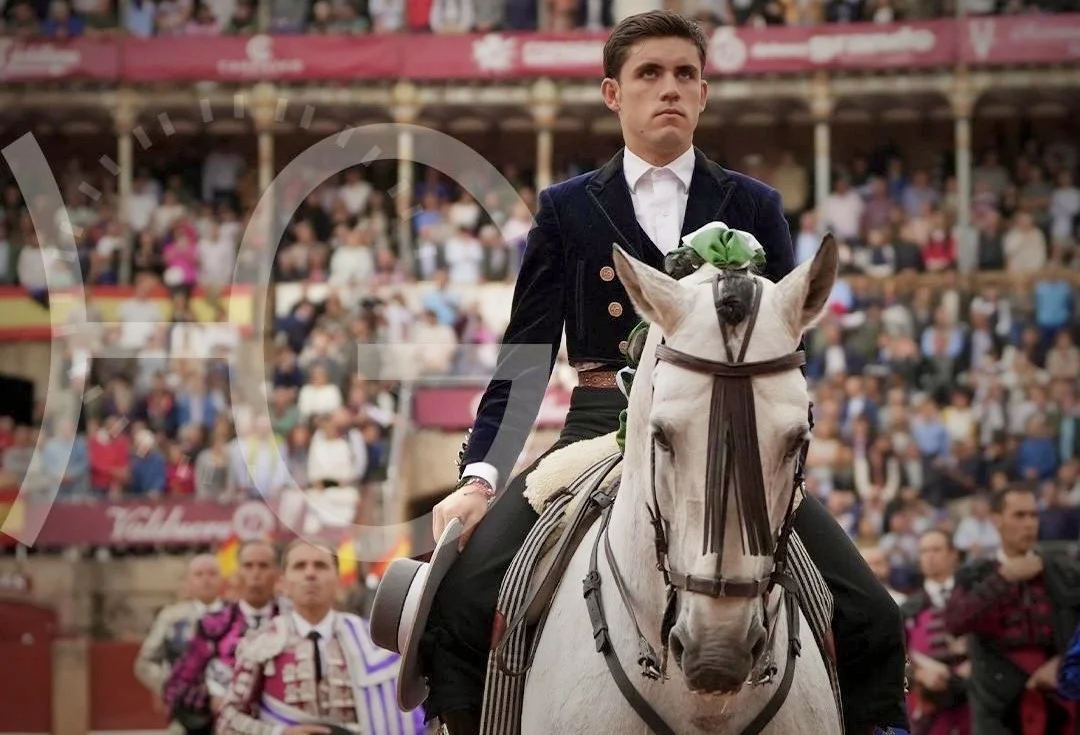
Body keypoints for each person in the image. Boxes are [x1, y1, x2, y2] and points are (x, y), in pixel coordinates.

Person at [419, 10, 909, 735]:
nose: (669, 88)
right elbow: (525, 357)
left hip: (730, 440)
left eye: (685, 74)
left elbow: (784, 347)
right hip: (595, 432)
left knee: (874, 615)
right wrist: (479, 478)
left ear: (704, 93)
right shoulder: (562, 209)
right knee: (459, 598)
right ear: (614, 93)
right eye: (649, 73)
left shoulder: (755, 205)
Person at [215, 539, 425, 735]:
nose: (310, 574)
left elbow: (407, 712)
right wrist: (277, 733)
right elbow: (227, 720)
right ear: (283, 582)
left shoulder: (374, 640)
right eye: (299, 566)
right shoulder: (259, 642)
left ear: (337, 579)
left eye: (320, 566)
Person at [944, 485, 1080, 734]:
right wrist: (1003, 578)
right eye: (1019, 515)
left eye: (1033, 515)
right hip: (996, 708)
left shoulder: (1063, 570)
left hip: (1059, 702)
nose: (1029, 524)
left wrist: (1064, 661)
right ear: (997, 520)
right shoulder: (974, 575)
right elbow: (955, 622)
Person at [164, 540, 286, 733]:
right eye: (248, 566)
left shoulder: (292, 622)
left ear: (278, 574)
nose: (256, 574)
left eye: (263, 566)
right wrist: (208, 699)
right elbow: (178, 686)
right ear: (237, 573)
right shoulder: (213, 624)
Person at [136, 554, 224, 735]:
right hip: (184, 713)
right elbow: (145, 662)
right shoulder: (172, 616)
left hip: (227, 711)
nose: (206, 580)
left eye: (212, 574)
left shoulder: (236, 615)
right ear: (188, 582)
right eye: (199, 574)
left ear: (222, 580)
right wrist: (171, 685)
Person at [901, 529, 970, 735]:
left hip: (975, 700)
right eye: (924, 551)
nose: (929, 556)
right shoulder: (907, 609)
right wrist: (918, 673)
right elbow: (897, 659)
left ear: (953, 554)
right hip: (929, 703)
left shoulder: (974, 598)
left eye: (936, 549)